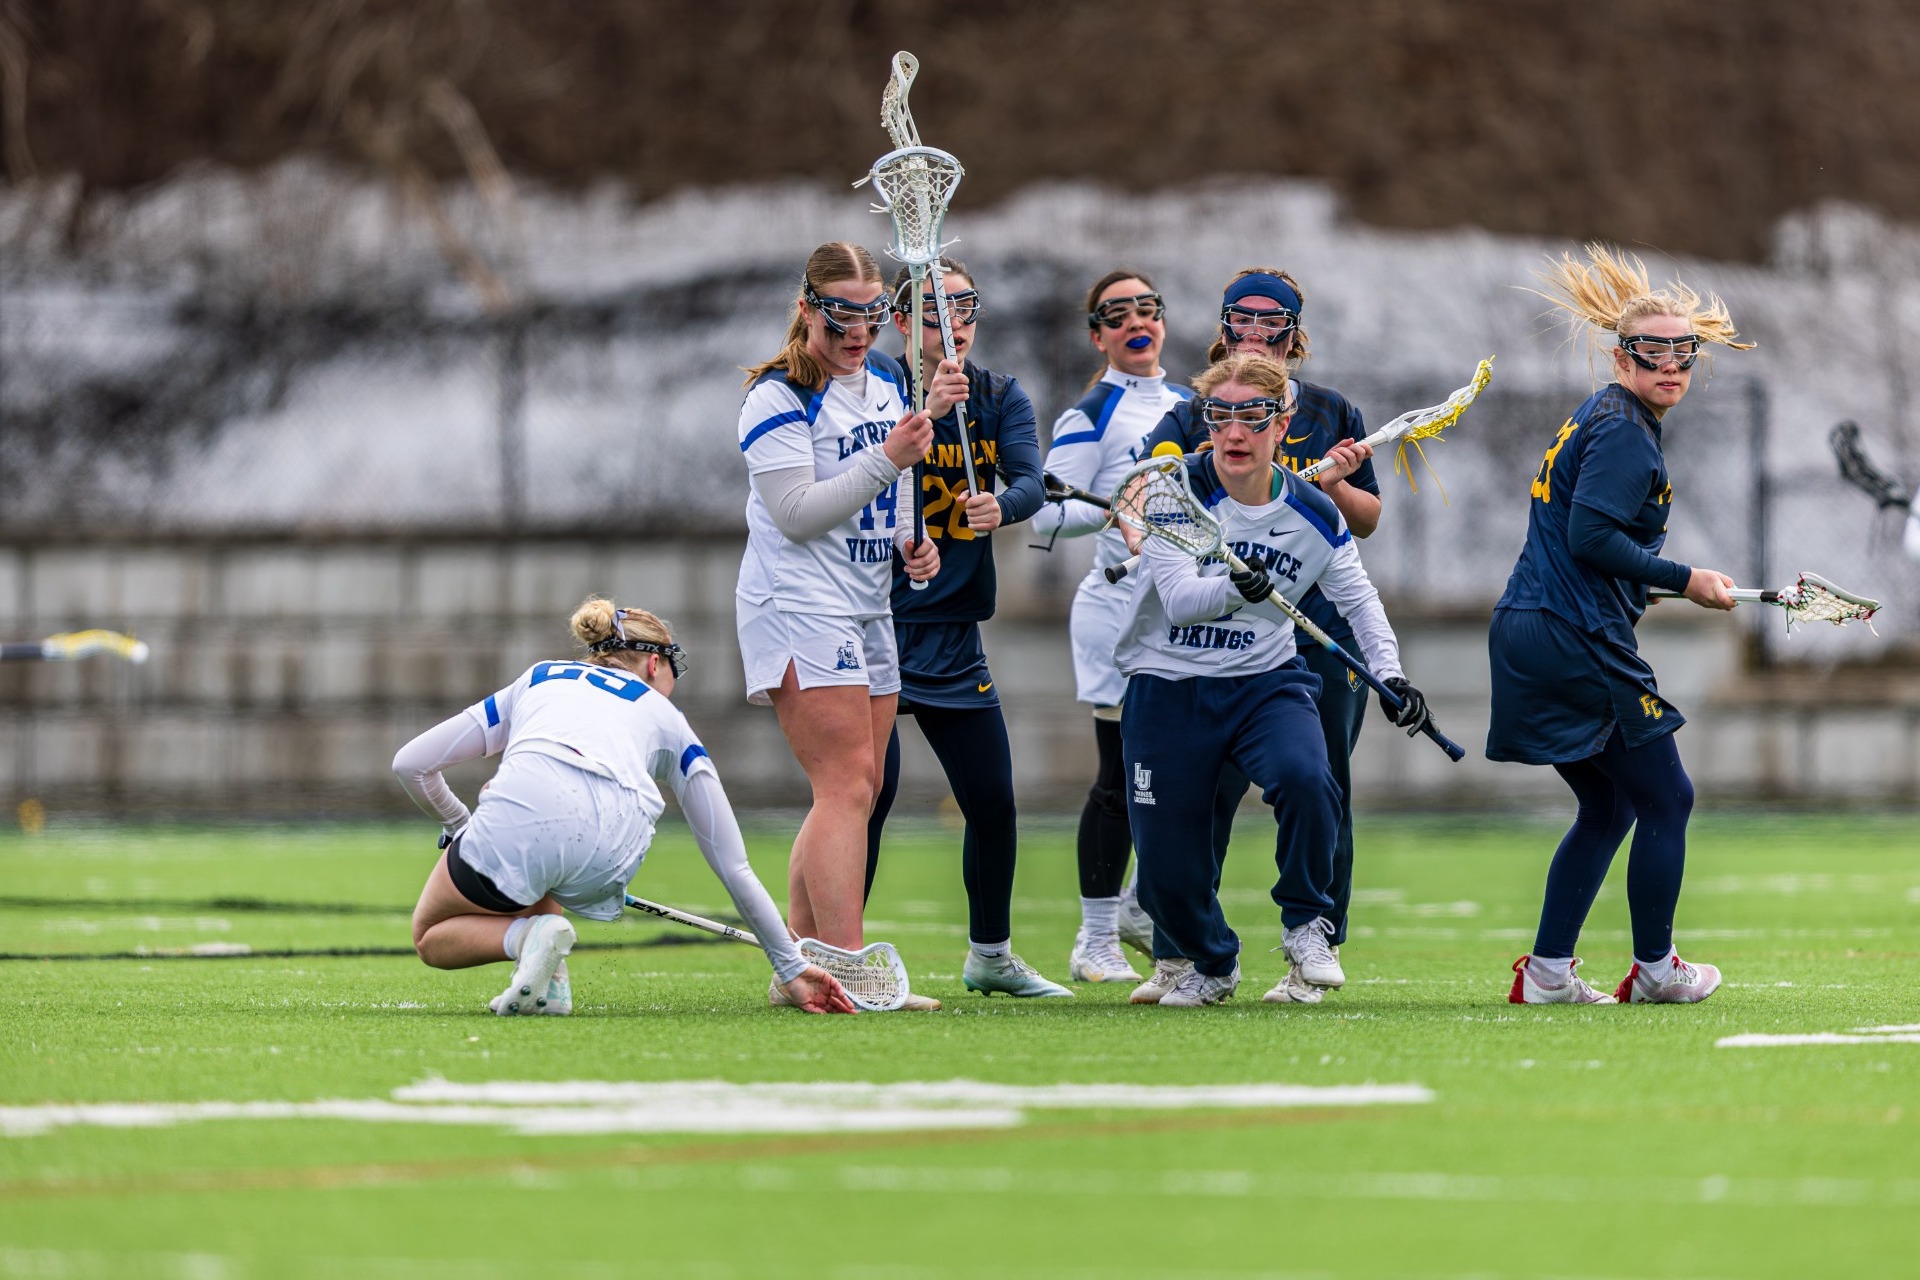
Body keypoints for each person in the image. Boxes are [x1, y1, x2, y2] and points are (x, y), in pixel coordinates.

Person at [1116, 353, 1430, 1006]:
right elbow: (1178, 599)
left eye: (1252, 417)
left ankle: (1308, 924)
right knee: (1163, 873)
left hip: (1263, 679)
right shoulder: (1175, 491)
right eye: (1220, 416)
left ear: (1281, 424)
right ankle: (1211, 961)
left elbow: (1359, 599)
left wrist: (1392, 674)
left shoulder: (1314, 511)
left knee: (1308, 778)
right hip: (1169, 685)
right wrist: (1234, 586)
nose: (1234, 432)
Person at [1491, 243, 1751, 1005]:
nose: (1670, 365)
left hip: (1532, 625)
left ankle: (1546, 973)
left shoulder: (1602, 417)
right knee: (1668, 799)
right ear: (1620, 355)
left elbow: (1591, 548)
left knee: (1608, 805)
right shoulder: (1624, 430)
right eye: (1652, 352)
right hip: (1573, 634)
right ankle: (1658, 969)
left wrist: (1653, 587)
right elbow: (1591, 539)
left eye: (1683, 352)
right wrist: (1686, 578)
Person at [394, 596, 856, 1017]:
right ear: (655, 665)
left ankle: (525, 938)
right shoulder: (670, 722)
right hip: (610, 855)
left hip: (517, 824)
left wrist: (459, 824)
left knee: (431, 934)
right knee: (555, 842)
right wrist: (789, 967)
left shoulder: (538, 678)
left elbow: (411, 764)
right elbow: (734, 866)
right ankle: (550, 987)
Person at [736, 241, 942, 1010]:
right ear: (807, 307)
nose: (859, 332)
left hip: (866, 598)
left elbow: (876, 498)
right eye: (841, 314)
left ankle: (800, 970)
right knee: (844, 785)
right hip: (796, 600)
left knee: (862, 785)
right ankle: (847, 963)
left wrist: (905, 544)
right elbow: (794, 515)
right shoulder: (778, 395)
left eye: (873, 314)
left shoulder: (887, 378)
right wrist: (890, 459)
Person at [863, 259, 1070, 997]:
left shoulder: (1000, 395)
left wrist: (1003, 508)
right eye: (932, 311)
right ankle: (832, 957)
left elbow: (1028, 479)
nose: (952, 324)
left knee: (993, 802)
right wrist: (916, 414)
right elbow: (852, 473)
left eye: (963, 308)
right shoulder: (873, 389)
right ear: (899, 321)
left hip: (953, 635)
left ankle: (990, 954)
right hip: (876, 629)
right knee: (866, 799)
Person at [1029, 268, 1191, 985]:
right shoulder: (1089, 413)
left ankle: (1137, 903)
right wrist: (1119, 505)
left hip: (1184, 607)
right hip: (1117, 610)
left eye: (1147, 308)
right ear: (1097, 334)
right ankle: (1095, 940)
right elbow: (1046, 512)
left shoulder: (1193, 403)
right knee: (1121, 775)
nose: (1136, 321)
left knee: (1191, 770)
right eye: (1116, 313)